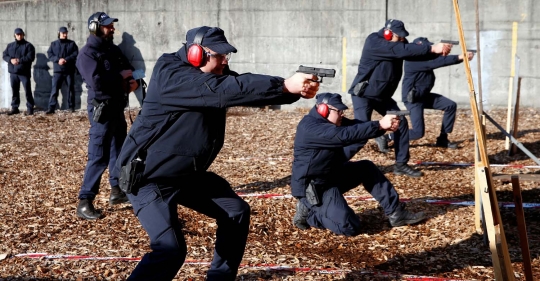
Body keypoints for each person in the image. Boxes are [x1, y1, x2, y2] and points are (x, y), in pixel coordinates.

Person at [114, 26, 319, 281]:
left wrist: (290, 91)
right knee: (170, 250)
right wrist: (286, 85)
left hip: (185, 174)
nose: (224, 60)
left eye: (226, 55)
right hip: (148, 176)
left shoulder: (210, 75)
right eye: (219, 55)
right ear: (195, 53)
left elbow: (241, 86)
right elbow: (222, 90)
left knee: (235, 212)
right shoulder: (171, 75)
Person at [291, 93, 426, 235]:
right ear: (324, 109)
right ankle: (310, 213)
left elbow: (356, 126)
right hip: (314, 189)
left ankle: (396, 213)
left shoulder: (330, 121)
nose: (342, 114)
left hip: (330, 175)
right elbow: (344, 135)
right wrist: (380, 125)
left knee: (366, 168)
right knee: (350, 227)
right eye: (339, 111)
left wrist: (382, 127)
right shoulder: (310, 128)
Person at [347, 19, 453, 178]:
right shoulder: (374, 41)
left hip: (382, 96)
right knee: (361, 134)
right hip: (364, 95)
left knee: (401, 123)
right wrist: (432, 48)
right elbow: (399, 50)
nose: (403, 39)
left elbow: (412, 53)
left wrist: (437, 51)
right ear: (388, 33)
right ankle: (333, 163)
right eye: (399, 37)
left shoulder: (399, 44)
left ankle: (401, 164)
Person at [75, 12, 138, 220]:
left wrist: (130, 80)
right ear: (95, 27)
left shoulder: (112, 49)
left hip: (116, 107)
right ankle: (85, 202)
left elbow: (127, 67)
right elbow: (97, 83)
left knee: (118, 150)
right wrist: (120, 78)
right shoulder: (87, 54)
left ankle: (117, 191)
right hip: (101, 109)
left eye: (111, 25)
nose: (111, 29)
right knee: (98, 154)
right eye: (107, 26)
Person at [402, 37, 475, 149]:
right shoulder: (412, 61)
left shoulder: (425, 58)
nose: (427, 51)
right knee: (418, 133)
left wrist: (444, 49)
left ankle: (442, 139)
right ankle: (389, 138)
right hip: (413, 98)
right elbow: (436, 62)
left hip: (423, 96)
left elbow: (437, 58)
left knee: (450, 105)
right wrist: (461, 56)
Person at [2, 28, 36, 115]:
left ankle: (30, 108)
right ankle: (15, 107)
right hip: (13, 72)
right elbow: (5, 55)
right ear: (15, 35)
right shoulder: (10, 46)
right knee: (15, 90)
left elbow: (30, 57)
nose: (19, 36)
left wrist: (19, 60)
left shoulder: (28, 46)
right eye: (17, 35)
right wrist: (11, 60)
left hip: (24, 72)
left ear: (23, 35)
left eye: (21, 34)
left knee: (27, 90)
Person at [46, 26, 79, 114]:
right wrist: (58, 59)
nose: (64, 35)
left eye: (65, 33)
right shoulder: (54, 44)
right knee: (54, 90)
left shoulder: (72, 44)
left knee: (70, 89)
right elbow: (50, 54)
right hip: (57, 71)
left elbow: (75, 53)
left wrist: (66, 59)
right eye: (62, 33)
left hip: (69, 70)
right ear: (59, 33)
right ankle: (51, 107)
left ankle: (71, 107)